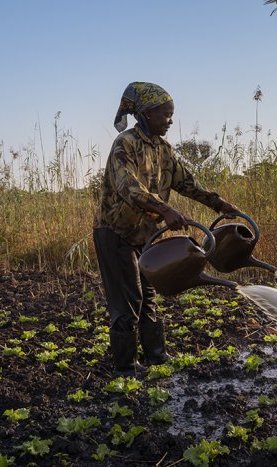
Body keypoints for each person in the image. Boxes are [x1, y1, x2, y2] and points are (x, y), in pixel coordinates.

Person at [93, 82, 239, 376]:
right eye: (165, 115)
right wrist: (165, 209)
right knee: (128, 298)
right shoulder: (126, 144)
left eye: (172, 115)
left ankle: (156, 359)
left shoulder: (164, 150)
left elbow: (188, 184)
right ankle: (124, 368)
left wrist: (221, 205)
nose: (170, 121)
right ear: (146, 113)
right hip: (115, 232)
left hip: (146, 235)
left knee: (148, 295)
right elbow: (128, 187)